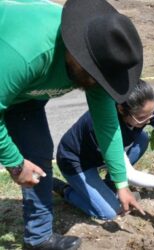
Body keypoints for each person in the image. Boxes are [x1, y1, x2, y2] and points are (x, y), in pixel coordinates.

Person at [0, 0, 145, 249]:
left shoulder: (97, 66)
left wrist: (121, 183)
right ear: (77, 53)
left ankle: (39, 238)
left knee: (38, 152)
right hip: (9, 69)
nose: (97, 82)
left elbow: (107, 126)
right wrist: (14, 163)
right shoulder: (28, 51)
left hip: (25, 95)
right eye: (94, 75)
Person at [53, 80, 154, 219]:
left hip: (100, 155)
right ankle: (64, 189)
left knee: (142, 139)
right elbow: (129, 175)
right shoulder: (105, 126)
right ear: (121, 109)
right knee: (110, 213)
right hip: (77, 161)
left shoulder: (146, 109)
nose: (149, 119)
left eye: (152, 112)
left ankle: (110, 185)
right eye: (142, 117)